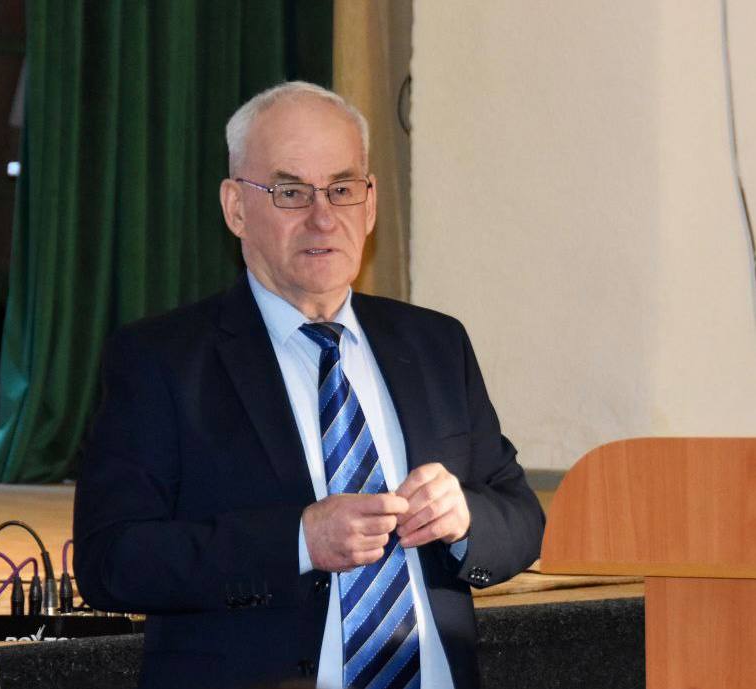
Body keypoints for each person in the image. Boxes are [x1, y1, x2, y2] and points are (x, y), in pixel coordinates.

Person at [74, 81, 544, 689]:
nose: (323, 217)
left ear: (369, 206)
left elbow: (521, 519)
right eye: (291, 192)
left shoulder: (435, 344)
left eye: (342, 189)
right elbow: (111, 561)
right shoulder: (160, 361)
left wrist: (465, 520)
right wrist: (298, 541)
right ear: (236, 208)